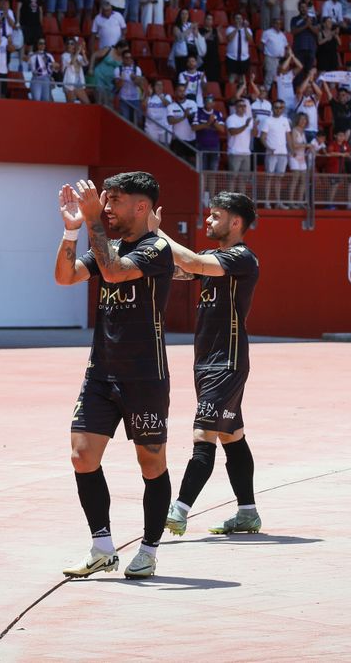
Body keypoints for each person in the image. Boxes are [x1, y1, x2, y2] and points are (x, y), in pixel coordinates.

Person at [54, 173, 175, 581]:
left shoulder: (156, 248)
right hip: (101, 373)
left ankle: (149, 548)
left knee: (151, 462)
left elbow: (114, 273)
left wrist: (91, 222)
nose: (106, 207)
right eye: (104, 200)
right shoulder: (110, 244)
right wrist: (72, 230)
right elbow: (65, 276)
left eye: (115, 201)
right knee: (82, 455)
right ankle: (102, 547)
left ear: (141, 207)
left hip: (145, 377)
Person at [143, 193, 265, 537]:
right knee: (232, 434)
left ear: (236, 223)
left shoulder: (243, 258)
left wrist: (158, 233)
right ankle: (248, 513)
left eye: (215, 216)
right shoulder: (213, 256)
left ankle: (178, 510)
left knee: (203, 434)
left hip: (227, 361)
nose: (207, 222)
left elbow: (193, 263)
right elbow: (183, 268)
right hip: (207, 362)